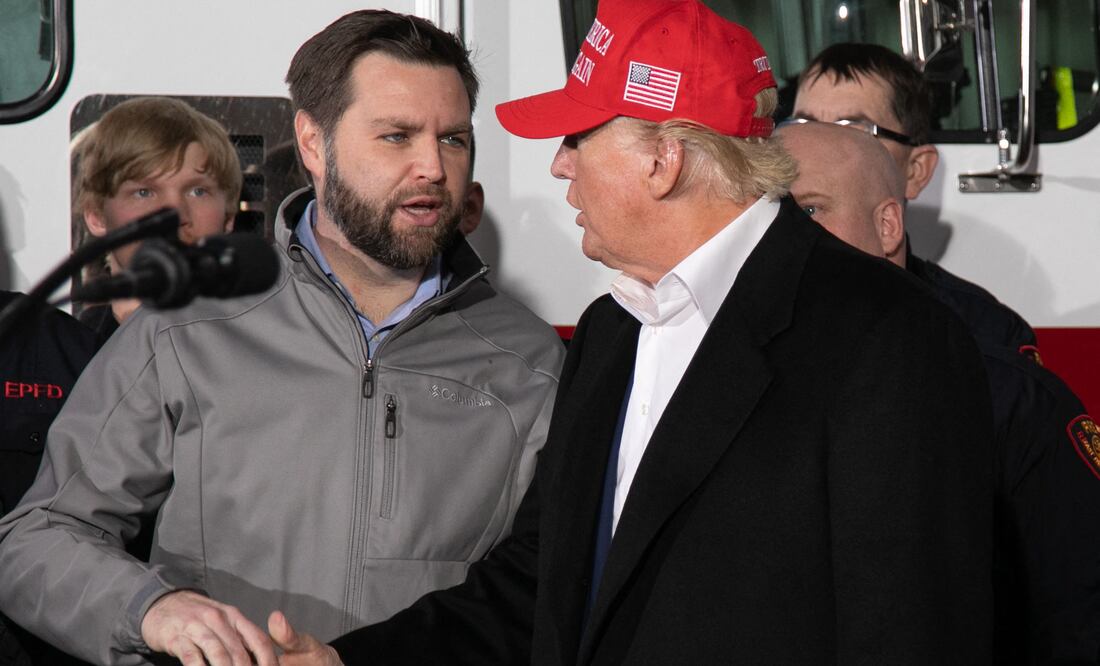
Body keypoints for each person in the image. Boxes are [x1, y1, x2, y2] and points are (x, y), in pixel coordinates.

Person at [273, 1, 995, 663]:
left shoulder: (890, 340)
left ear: (663, 159)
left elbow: (911, 632)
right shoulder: (612, 331)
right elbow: (541, 583)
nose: (559, 163)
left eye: (578, 136)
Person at [0, 10, 564, 666]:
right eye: (396, 136)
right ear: (314, 144)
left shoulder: (531, 364)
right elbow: (35, 538)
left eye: (454, 139)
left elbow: (538, 595)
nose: (433, 167)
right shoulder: (186, 326)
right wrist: (149, 611)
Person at [779, 120, 1100, 664]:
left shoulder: (1008, 398)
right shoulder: (727, 386)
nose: (783, 238)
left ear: (887, 226)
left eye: (810, 210)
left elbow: (1077, 610)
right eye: (765, 217)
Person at [72, 96, 242, 340]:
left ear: (228, 218)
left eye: (198, 191)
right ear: (97, 217)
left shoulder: (259, 345)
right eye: (144, 193)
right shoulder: (71, 349)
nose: (175, 216)